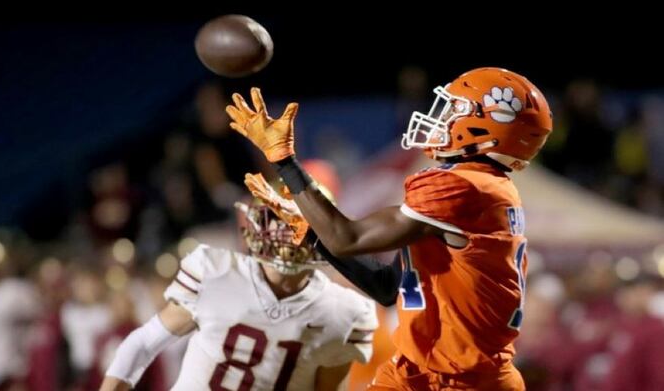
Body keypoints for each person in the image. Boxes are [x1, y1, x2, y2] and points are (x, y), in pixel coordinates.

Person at [227, 67, 553, 390]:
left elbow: (346, 237)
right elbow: (388, 287)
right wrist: (312, 232)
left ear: (488, 125)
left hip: (463, 380)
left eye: (457, 110)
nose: (443, 118)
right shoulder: (483, 191)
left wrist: (284, 161)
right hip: (418, 371)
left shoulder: (466, 186)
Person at [100, 181, 378, 390]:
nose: (287, 235)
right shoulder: (215, 272)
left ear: (322, 236)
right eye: (279, 221)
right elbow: (143, 344)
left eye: (298, 227)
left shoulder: (343, 312)